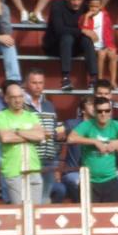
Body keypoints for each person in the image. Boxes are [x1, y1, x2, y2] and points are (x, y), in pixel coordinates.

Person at [66, 95, 118, 202]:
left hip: (110, 180)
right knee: (88, 217)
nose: (103, 114)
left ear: (110, 111)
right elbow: (71, 138)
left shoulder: (115, 125)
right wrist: (94, 141)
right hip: (89, 181)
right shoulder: (87, 125)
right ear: (95, 112)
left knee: (112, 216)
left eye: (106, 110)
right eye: (100, 111)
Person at [0, 80, 44, 203]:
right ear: (6, 99)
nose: (18, 100)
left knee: (35, 212)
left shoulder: (31, 115)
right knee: (19, 212)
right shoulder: (0, 116)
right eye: (14, 97)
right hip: (13, 170)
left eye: (20, 96)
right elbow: (5, 138)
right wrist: (29, 135)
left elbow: (40, 136)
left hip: (33, 168)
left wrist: (17, 131)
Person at [23, 68, 66, 203]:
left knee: (45, 197)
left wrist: (59, 133)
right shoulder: (22, 105)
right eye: (34, 82)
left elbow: (56, 129)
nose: (37, 86)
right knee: (30, 199)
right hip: (30, 158)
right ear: (26, 84)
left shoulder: (49, 105)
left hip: (49, 157)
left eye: (40, 83)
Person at [80, 0, 118, 87]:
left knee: (113, 55)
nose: (94, 9)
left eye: (96, 6)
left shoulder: (104, 15)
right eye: (92, 6)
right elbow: (84, 29)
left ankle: (113, 81)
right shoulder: (84, 17)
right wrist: (87, 17)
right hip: (94, 46)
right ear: (88, 5)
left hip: (105, 44)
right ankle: (99, 80)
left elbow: (109, 31)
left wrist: (110, 46)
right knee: (101, 54)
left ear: (100, 5)